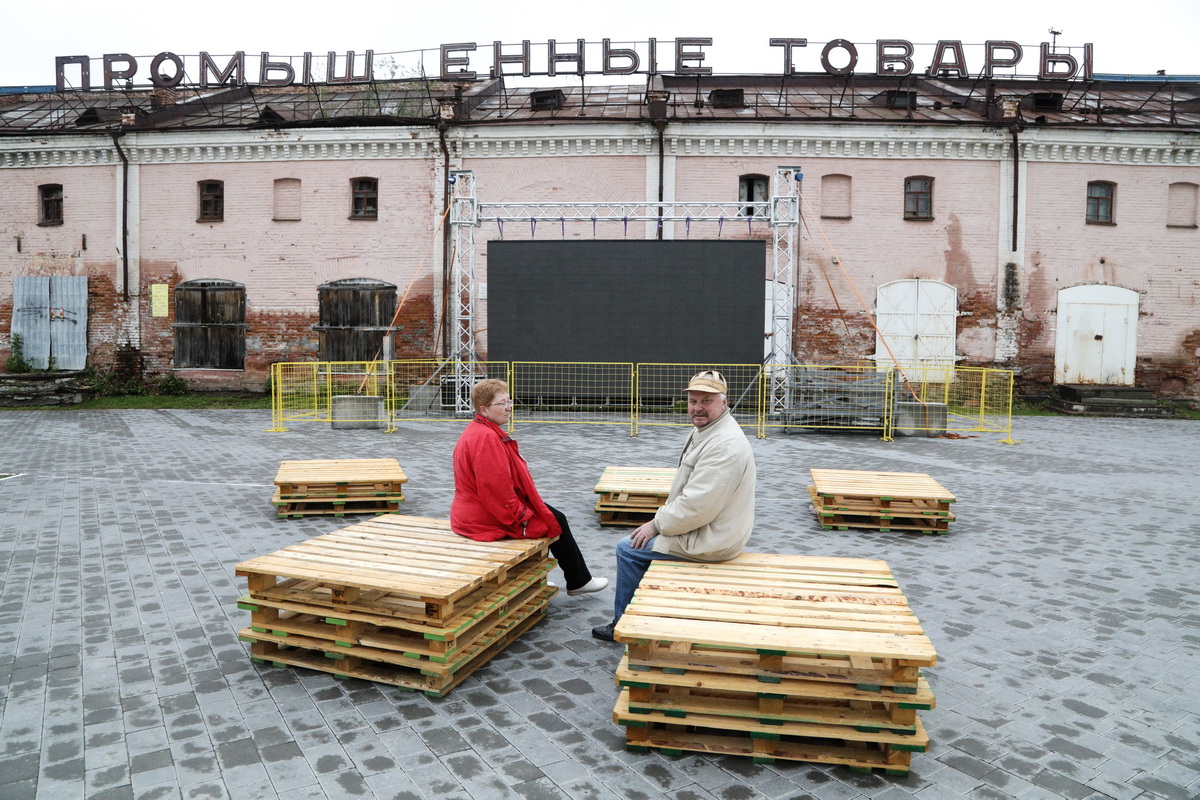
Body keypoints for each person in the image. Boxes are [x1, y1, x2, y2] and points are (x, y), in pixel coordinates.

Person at [591, 369, 756, 641]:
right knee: (641, 542)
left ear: (723, 402)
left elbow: (697, 507)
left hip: (712, 539)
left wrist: (656, 525)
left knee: (628, 549)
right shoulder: (710, 431)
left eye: (706, 401)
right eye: (693, 401)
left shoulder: (723, 444)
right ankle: (651, 610)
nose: (698, 408)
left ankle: (624, 626)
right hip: (712, 529)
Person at [450, 378, 608, 597]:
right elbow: (495, 489)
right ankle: (570, 581)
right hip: (482, 517)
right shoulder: (486, 437)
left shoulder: (482, 430)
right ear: (484, 410)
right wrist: (521, 514)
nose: (508, 408)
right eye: (502, 404)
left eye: (509, 401)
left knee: (553, 515)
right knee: (549, 521)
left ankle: (571, 579)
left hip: (475, 510)